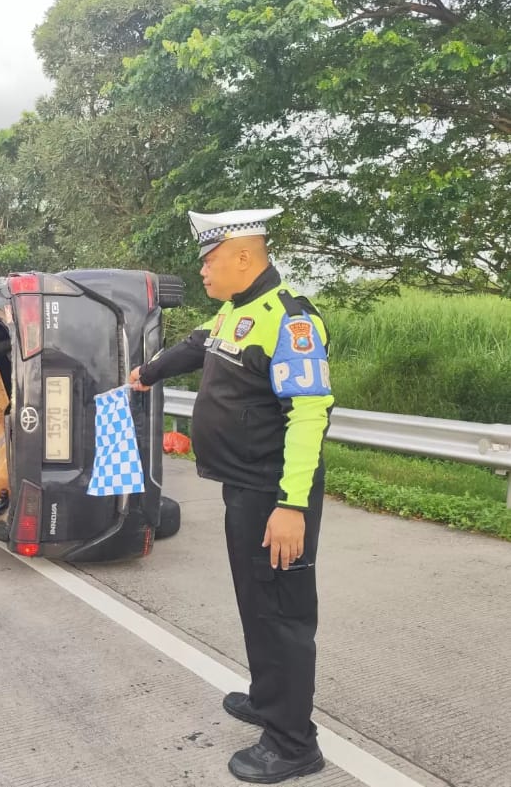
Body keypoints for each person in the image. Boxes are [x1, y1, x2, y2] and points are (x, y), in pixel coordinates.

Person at [130, 207, 333, 784]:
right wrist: (148, 373)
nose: (203, 270)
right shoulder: (236, 312)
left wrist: (291, 507)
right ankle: (269, 698)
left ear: (244, 256)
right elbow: (197, 345)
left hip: (275, 495)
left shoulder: (291, 321)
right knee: (256, 603)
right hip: (243, 487)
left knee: (282, 614)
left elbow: (309, 416)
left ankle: (293, 743)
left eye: (210, 260)